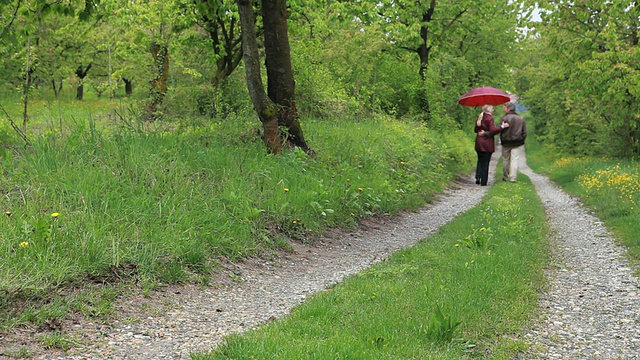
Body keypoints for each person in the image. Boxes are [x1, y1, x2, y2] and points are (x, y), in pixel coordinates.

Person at [474, 105, 508, 186]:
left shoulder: (480, 117)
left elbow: (475, 130)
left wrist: (483, 132)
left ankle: (478, 176)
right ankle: (483, 181)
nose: (493, 109)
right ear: (489, 109)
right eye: (492, 108)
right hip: (486, 143)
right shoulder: (490, 118)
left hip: (479, 142)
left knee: (480, 160)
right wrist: (502, 126)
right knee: (486, 162)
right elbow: (493, 131)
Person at [499, 101, 526, 183]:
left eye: (505, 108)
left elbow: (501, 130)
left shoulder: (504, 118)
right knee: (514, 159)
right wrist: (522, 140)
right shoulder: (520, 118)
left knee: (505, 159)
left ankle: (505, 175)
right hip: (517, 142)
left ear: (508, 109)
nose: (504, 109)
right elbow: (524, 132)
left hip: (506, 142)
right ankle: (513, 177)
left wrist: (502, 139)